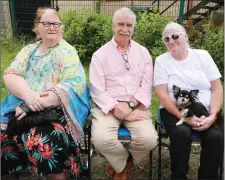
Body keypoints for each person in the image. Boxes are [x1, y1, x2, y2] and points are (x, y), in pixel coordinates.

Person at [1, 7, 90, 180]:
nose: (52, 27)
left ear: (61, 27)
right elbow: (11, 74)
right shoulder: (28, 50)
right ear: (37, 27)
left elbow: (72, 85)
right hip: (19, 107)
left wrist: (32, 105)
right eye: (47, 23)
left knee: (43, 140)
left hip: (53, 111)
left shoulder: (67, 51)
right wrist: (28, 95)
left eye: (56, 23)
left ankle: (60, 175)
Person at [89, 7, 158, 180]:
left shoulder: (143, 53)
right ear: (113, 26)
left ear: (134, 28)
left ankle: (119, 166)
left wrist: (131, 106)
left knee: (149, 139)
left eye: (129, 25)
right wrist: (115, 107)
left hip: (136, 105)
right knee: (100, 140)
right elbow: (97, 89)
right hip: (108, 107)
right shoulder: (100, 55)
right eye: (120, 24)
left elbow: (146, 85)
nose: (125, 29)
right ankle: (124, 164)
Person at [154, 22, 224, 180]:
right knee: (181, 133)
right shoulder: (161, 61)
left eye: (175, 36)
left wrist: (212, 116)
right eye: (166, 39)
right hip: (174, 111)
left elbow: (217, 89)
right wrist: (185, 118)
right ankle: (178, 176)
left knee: (216, 136)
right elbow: (162, 94)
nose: (171, 41)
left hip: (205, 110)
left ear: (185, 36)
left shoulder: (203, 56)